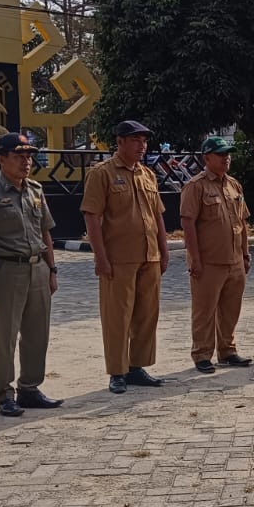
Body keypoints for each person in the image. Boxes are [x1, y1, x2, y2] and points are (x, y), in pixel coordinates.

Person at [0, 131, 61, 417]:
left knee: (37, 333)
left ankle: (30, 388)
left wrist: (52, 269)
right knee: (4, 336)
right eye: (19, 156)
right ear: (0, 159)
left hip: (38, 268)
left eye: (29, 156)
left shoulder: (34, 189)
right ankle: (3, 394)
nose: (26, 162)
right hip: (7, 270)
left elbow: (45, 231)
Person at [82, 120, 169, 394]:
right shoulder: (102, 174)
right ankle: (117, 371)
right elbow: (92, 217)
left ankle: (137, 367)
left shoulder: (147, 174)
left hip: (149, 255)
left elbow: (158, 216)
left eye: (144, 141)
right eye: (136, 140)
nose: (142, 146)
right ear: (119, 142)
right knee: (117, 316)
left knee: (147, 314)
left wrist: (164, 251)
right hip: (118, 257)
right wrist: (100, 257)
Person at [181, 136, 253, 374]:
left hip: (234, 261)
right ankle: (202, 354)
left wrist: (245, 253)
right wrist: (195, 259)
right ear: (207, 157)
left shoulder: (234, 185)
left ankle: (227, 350)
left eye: (228, 153)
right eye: (221, 154)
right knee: (205, 310)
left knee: (231, 309)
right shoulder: (196, 186)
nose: (226, 158)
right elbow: (188, 224)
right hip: (209, 262)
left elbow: (241, 223)